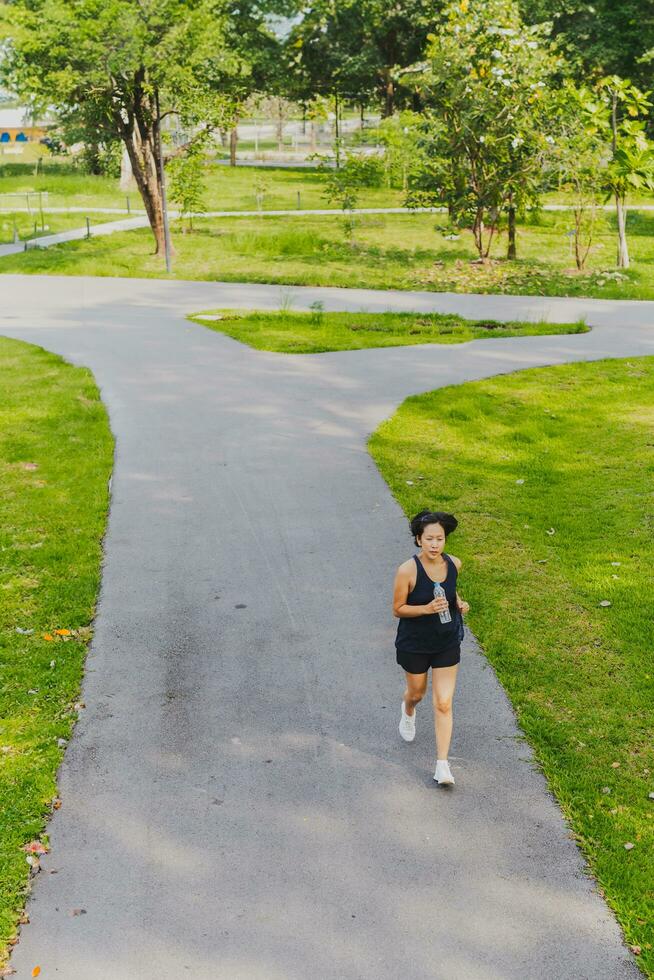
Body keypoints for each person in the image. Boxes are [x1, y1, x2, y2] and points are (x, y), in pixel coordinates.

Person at [392, 509, 470, 786]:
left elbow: (450, 590)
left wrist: (458, 603)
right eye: (429, 539)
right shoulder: (407, 570)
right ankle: (408, 709)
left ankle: (442, 766)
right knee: (417, 693)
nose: (435, 544)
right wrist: (426, 608)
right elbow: (398, 609)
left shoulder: (454, 564)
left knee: (444, 702)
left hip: (446, 640)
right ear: (418, 539)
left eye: (439, 538)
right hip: (415, 643)